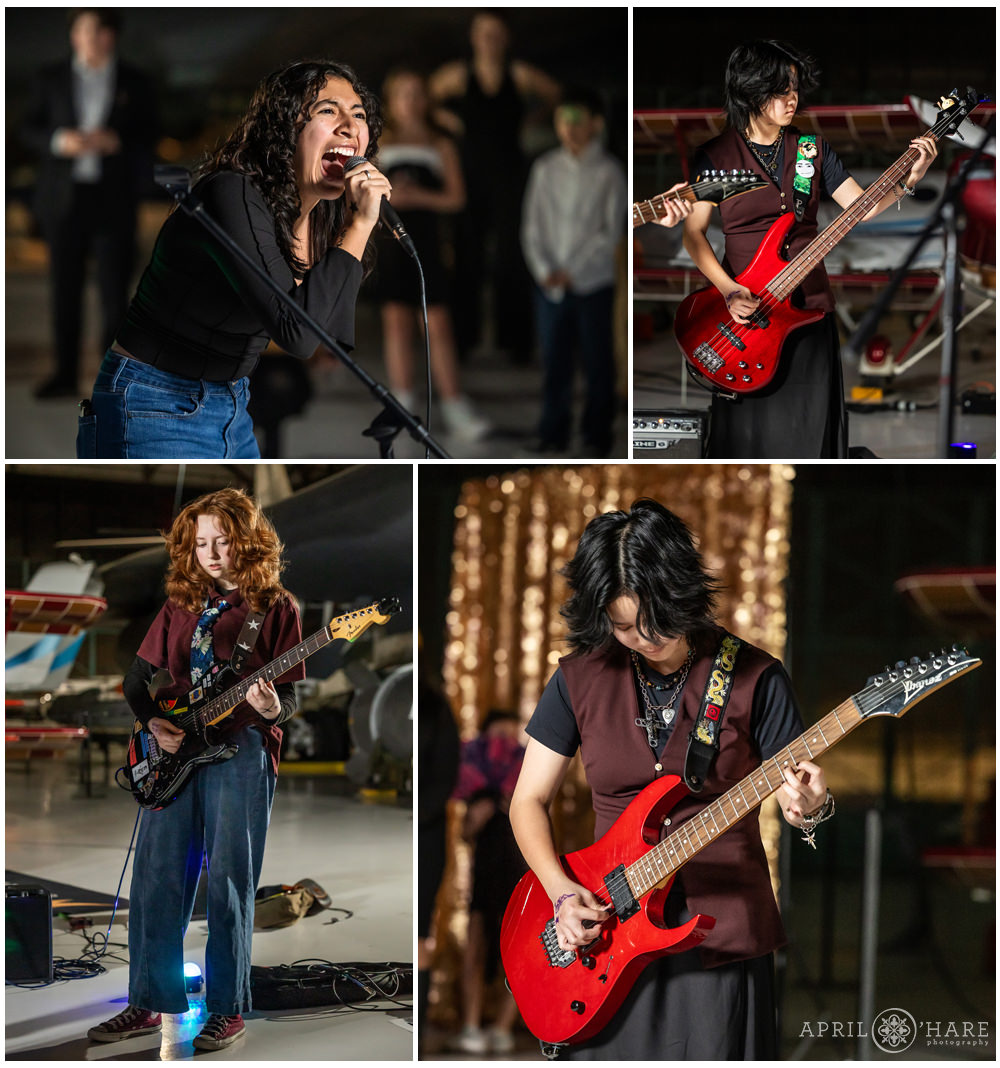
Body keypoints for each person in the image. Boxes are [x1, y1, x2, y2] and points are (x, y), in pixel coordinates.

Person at [508, 498, 833, 1059]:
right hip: (607, 936)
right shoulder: (580, 679)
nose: (645, 637)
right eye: (624, 627)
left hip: (719, 937)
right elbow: (527, 801)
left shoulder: (755, 677)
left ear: (683, 593)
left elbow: (798, 801)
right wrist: (561, 894)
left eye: (657, 620)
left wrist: (812, 806)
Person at [76, 59, 392, 459]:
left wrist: (354, 223)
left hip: (232, 403)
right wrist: (359, 224)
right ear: (284, 128)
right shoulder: (231, 194)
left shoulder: (324, 216)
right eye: (328, 110)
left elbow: (328, 328)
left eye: (359, 114)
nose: (349, 125)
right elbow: (298, 334)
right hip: (152, 400)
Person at [87, 488, 304, 1050]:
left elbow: (288, 700)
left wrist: (270, 708)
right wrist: (153, 723)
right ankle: (147, 1001)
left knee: (230, 880)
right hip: (178, 748)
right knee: (156, 877)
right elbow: (136, 682)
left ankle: (227, 1009)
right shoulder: (181, 603)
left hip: (243, 750)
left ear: (246, 541)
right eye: (201, 542)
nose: (210, 553)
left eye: (221, 541)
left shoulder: (277, 607)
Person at [683, 39, 938, 459]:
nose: (793, 99)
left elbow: (862, 208)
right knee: (748, 437)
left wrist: (910, 179)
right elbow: (694, 234)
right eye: (782, 90)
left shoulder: (811, 150)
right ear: (752, 90)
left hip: (808, 308)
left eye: (795, 89)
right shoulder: (716, 157)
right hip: (744, 314)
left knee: (808, 425)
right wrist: (729, 291)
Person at [21, 8, 157, 399]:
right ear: (73, 36)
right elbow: (25, 128)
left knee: (115, 292)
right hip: (64, 197)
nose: (90, 39)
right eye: (82, 31)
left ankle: (111, 379)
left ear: (112, 36)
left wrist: (118, 141)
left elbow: (152, 133)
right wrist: (58, 140)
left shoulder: (135, 81)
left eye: (99, 31)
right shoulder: (50, 77)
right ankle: (64, 375)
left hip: (113, 197)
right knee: (64, 289)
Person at [430, 11, 560, 363]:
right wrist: (447, 120)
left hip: (509, 175)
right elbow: (425, 98)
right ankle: (463, 342)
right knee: (467, 256)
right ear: (473, 37)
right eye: (483, 33)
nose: (489, 39)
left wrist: (531, 119)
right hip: (469, 176)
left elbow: (556, 95)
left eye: (495, 33)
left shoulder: (519, 74)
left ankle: (516, 344)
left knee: (512, 256)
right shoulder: (458, 75)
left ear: (506, 38)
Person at [374, 68, 490, 442]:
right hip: (391, 245)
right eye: (402, 94)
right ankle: (402, 406)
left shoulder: (441, 144)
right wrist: (390, 197)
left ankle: (454, 405)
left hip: (428, 244)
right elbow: (362, 195)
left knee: (437, 324)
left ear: (425, 100)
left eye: (416, 93)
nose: (410, 101)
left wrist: (416, 196)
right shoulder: (379, 142)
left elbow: (456, 198)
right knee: (396, 324)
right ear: (392, 101)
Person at [520, 88, 627, 455]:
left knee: (597, 362)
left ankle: (597, 436)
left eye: (577, 119)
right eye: (562, 120)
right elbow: (532, 226)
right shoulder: (545, 168)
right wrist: (543, 268)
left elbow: (610, 233)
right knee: (554, 362)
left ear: (595, 123)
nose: (568, 127)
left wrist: (573, 270)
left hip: (593, 282)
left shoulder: (610, 171)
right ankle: (553, 432)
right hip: (549, 283)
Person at [450, 710, 526, 1054]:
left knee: (520, 955)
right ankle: (471, 1026)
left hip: (518, 874)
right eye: (499, 734)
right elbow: (466, 835)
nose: (504, 743)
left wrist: (514, 807)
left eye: (510, 735)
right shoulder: (475, 788)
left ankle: (503, 1028)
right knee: (476, 949)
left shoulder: (525, 788)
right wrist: (478, 816)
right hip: (485, 874)